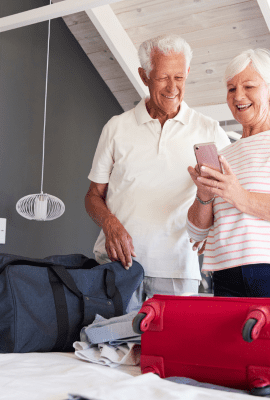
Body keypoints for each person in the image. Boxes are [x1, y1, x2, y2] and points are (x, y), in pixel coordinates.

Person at [85, 34, 231, 303]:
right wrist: (110, 223)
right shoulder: (116, 127)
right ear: (144, 75)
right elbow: (94, 195)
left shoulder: (208, 130)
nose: (172, 87)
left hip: (177, 270)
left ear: (187, 73)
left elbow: (230, 192)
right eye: (163, 77)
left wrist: (215, 231)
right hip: (117, 266)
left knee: (169, 347)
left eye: (179, 77)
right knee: (108, 345)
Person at [186, 49, 270, 303]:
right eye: (231, 89)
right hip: (226, 278)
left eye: (248, 86)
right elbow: (196, 233)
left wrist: (240, 196)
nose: (238, 96)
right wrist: (204, 195)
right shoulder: (223, 154)